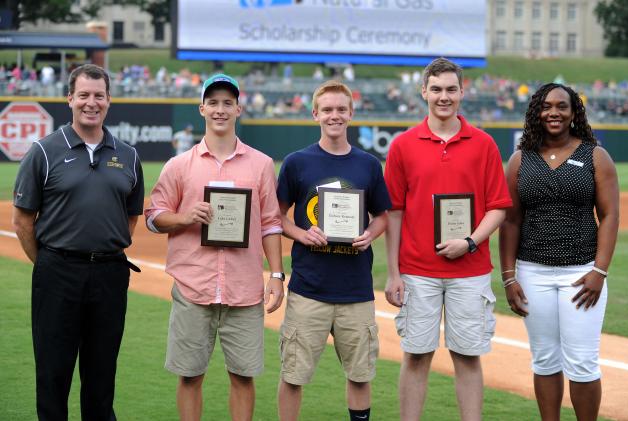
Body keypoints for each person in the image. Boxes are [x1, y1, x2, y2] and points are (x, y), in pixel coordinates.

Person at [144, 73, 284, 421]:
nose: (220, 110)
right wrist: (185, 217)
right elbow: (154, 216)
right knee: (190, 375)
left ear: (238, 108)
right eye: (214, 103)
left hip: (244, 287)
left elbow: (271, 222)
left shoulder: (261, 164)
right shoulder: (179, 165)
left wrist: (278, 275)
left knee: (242, 375)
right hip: (194, 286)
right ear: (202, 108)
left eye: (228, 103)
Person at [12, 64, 144, 420]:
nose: (91, 103)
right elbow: (23, 220)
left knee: (101, 375)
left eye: (98, 95)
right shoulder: (43, 151)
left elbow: (130, 217)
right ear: (69, 98)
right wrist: (49, 262)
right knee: (53, 372)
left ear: (109, 100)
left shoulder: (128, 155)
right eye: (83, 95)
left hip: (109, 273)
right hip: (57, 271)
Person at [383, 57, 512, 421]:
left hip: (469, 270)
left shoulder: (484, 144)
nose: (444, 96)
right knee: (416, 356)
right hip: (417, 270)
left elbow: (498, 207)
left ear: (462, 92)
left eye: (451, 89)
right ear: (423, 91)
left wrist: (469, 242)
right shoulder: (403, 145)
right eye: (436, 89)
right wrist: (393, 273)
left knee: (468, 356)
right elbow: (393, 211)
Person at [499, 83, 619, 421]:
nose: (554, 113)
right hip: (532, 272)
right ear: (537, 111)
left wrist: (599, 271)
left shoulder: (596, 155)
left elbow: (610, 216)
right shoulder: (520, 159)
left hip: (581, 273)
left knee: (582, 361)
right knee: (545, 359)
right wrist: (509, 277)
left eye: (562, 106)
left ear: (573, 112)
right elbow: (510, 221)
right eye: (547, 106)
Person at [276, 80, 391, 421]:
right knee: (293, 375)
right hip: (308, 288)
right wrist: (301, 233)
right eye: (327, 110)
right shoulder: (298, 162)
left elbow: (383, 216)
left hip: (355, 290)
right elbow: (276, 216)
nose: (334, 115)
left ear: (351, 114)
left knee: (360, 374)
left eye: (341, 109)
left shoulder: (368, 164)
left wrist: (370, 233)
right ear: (315, 114)